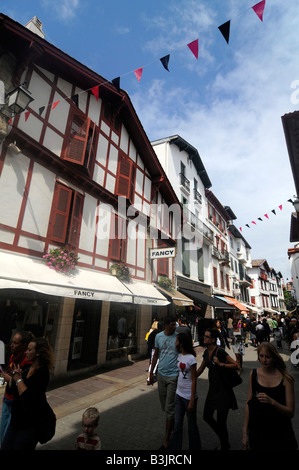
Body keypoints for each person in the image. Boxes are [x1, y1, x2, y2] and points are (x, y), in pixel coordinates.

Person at [1, 337, 54, 450]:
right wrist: (11, 380)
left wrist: (18, 379)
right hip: (15, 422)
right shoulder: (27, 368)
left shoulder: (43, 373)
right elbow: (16, 392)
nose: (26, 352)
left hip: (29, 426)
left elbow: (27, 397)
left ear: (38, 353)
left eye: (29, 350)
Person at [242, 342, 297, 450]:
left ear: (274, 357)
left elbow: (290, 412)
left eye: (268, 357)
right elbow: (249, 404)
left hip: (280, 432)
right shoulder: (253, 375)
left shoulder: (286, 378)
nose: (264, 360)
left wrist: (272, 402)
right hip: (258, 432)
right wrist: (245, 433)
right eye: (261, 356)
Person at [196, 328, 239, 450]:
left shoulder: (219, 352)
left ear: (213, 339)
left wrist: (221, 364)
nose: (204, 338)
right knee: (207, 416)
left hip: (224, 391)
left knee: (221, 421)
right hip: (213, 390)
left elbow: (236, 365)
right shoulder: (206, 352)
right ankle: (225, 441)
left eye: (207, 337)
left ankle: (224, 444)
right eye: (204, 336)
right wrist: (190, 377)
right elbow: (201, 369)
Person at [148, 316, 178, 451]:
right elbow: (156, 354)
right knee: (165, 407)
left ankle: (167, 439)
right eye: (171, 325)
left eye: (175, 324)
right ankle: (172, 425)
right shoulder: (158, 337)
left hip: (174, 376)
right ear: (165, 325)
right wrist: (151, 372)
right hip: (161, 375)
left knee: (169, 409)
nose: (174, 327)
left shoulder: (178, 337)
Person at [168, 333, 201, 451]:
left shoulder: (191, 359)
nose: (175, 342)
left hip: (188, 397)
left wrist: (192, 400)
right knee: (177, 425)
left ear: (181, 343)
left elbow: (193, 379)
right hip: (179, 394)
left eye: (176, 340)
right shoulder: (179, 356)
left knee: (191, 427)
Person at [0, 331, 33, 447]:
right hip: (7, 401)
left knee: (7, 440)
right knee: (2, 433)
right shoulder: (13, 357)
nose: (11, 345)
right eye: (11, 342)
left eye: (15, 343)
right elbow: (9, 376)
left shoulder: (27, 363)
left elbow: (23, 387)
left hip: (16, 405)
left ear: (24, 345)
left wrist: (12, 380)